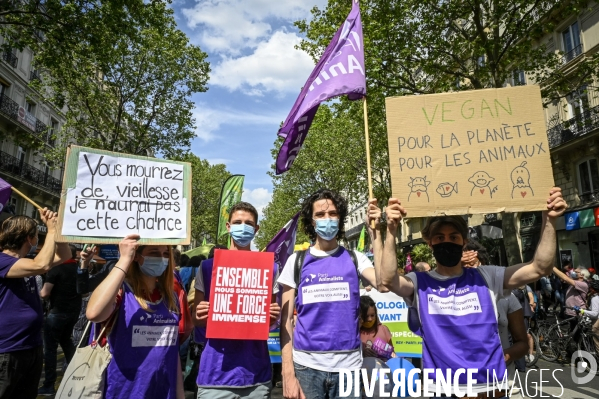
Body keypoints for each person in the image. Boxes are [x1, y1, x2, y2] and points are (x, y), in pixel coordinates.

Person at [380, 187, 566, 397]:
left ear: (464, 242)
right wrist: (390, 230)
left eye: (453, 237)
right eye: (439, 238)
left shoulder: (488, 277)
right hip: (443, 389)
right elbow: (387, 280)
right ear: (430, 243)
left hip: (489, 387)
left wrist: (549, 221)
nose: (446, 242)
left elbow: (539, 268)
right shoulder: (418, 282)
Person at [278, 189, 383, 399]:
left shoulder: (356, 258)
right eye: (320, 215)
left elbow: (384, 282)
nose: (327, 219)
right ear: (311, 221)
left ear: (340, 218)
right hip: (306, 367)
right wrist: (287, 372)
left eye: (333, 214)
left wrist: (377, 233)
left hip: (349, 368)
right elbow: (286, 322)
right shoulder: (296, 262)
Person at [193, 202, 280, 398]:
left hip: (255, 377)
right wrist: (199, 313)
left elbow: (269, 323)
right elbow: (196, 319)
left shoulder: (269, 268)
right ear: (228, 226)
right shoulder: (207, 267)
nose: (243, 227)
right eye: (238, 222)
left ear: (256, 229)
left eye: (248, 223)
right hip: (215, 377)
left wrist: (273, 316)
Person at [86, 237, 186, 399]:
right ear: (137, 256)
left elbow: (171, 351)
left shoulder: (171, 298)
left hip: (163, 391)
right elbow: (94, 313)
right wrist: (124, 259)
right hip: (122, 391)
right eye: (154, 252)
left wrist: (180, 395)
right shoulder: (121, 292)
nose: (161, 258)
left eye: (166, 253)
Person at [0, 210, 71, 399]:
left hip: (30, 346)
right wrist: (50, 230)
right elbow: (43, 265)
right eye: (35, 238)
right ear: (30, 238)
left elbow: (65, 255)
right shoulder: (2, 261)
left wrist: (58, 231)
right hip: (8, 350)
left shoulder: (25, 262)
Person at [38, 245, 82, 396]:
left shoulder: (56, 269)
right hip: (73, 313)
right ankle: (78, 375)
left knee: (50, 349)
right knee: (66, 342)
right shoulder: (79, 269)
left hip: (57, 313)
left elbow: (44, 293)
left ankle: (49, 385)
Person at [552, 266, 590, 331]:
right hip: (570, 313)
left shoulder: (583, 284)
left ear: (582, 275)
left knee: (579, 334)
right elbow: (564, 278)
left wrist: (552, 267)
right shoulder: (574, 282)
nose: (573, 273)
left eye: (576, 272)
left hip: (578, 313)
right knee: (573, 333)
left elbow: (565, 278)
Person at [359, 296, 394, 360]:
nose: (370, 319)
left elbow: (392, 354)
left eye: (372, 315)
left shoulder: (384, 329)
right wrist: (362, 353)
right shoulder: (356, 334)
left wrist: (388, 354)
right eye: (366, 316)